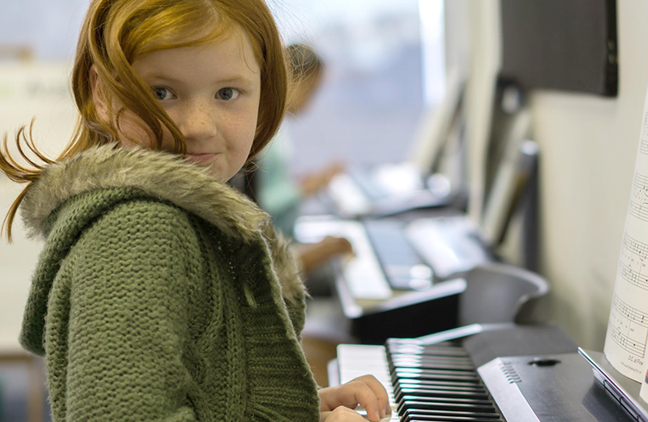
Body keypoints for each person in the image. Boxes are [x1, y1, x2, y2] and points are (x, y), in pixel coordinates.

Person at [0, 1, 390, 421]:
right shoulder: (139, 233)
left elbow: (211, 395)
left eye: (227, 93)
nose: (198, 125)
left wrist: (301, 408)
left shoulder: (185, 219)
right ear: (100, 91)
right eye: (161, 92)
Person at [231, 43, 350, 280]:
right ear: (291, 79)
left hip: (285, 240)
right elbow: (262, 204)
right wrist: (305, 189)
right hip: (275, 252)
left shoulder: (277, 129)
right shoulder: (263, 134)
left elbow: (270, 184)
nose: (311, 102)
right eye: (311, 91)